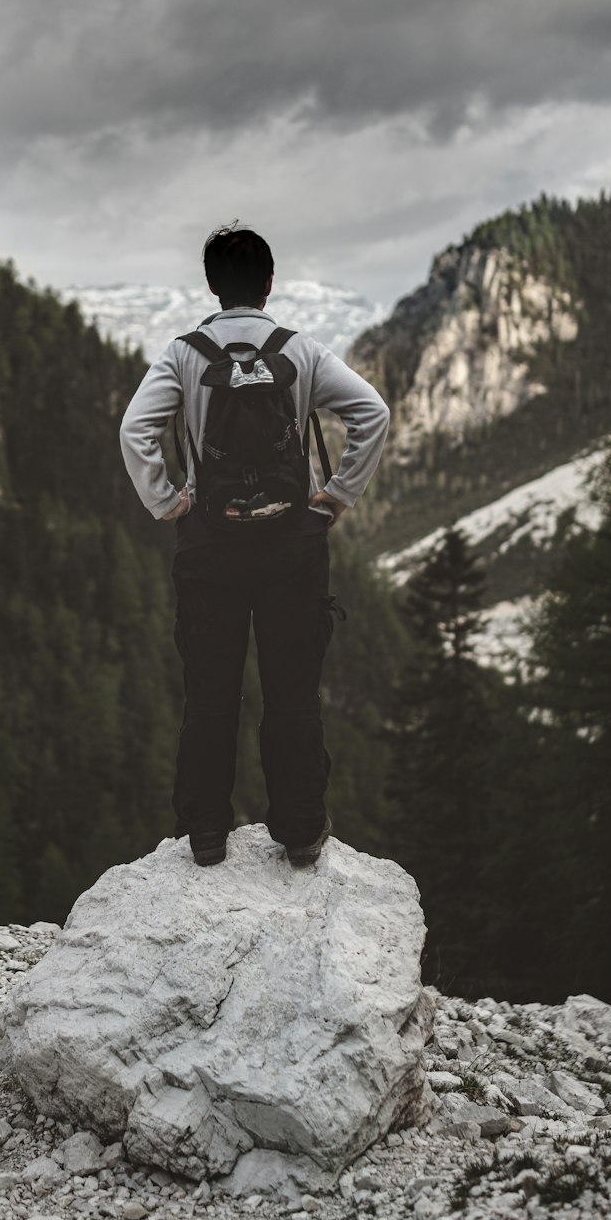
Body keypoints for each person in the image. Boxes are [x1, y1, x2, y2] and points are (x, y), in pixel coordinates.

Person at [118, 225, 390, 867]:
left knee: (210, 691)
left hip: (209, 543)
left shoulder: (184, 354)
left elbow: (136, 430)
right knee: (292, 690)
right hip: (292, 543)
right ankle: (298, 830)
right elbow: (371, 413)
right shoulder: (301, 351)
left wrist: (167, 501)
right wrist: (338, 495)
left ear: (212, 286)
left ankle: (206, 832)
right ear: (269, 283)